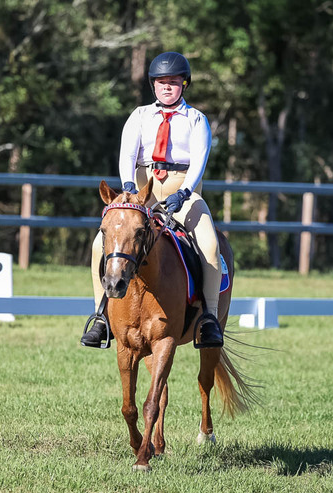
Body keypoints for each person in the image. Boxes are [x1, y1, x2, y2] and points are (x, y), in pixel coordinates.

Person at [81, 51, 224, 349]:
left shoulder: (197, 119)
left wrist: (184, 192)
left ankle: (208, 318)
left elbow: (199, 160)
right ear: (153, 85)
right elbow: (127, 155)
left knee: (210, 244)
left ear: (184, 84)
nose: (167, 87)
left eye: (173, 82)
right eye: (161, 83)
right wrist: (130, 187)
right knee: (99, 244)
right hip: (142, 186)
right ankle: (101, 317)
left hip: (183, 187)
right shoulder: (140, 115)